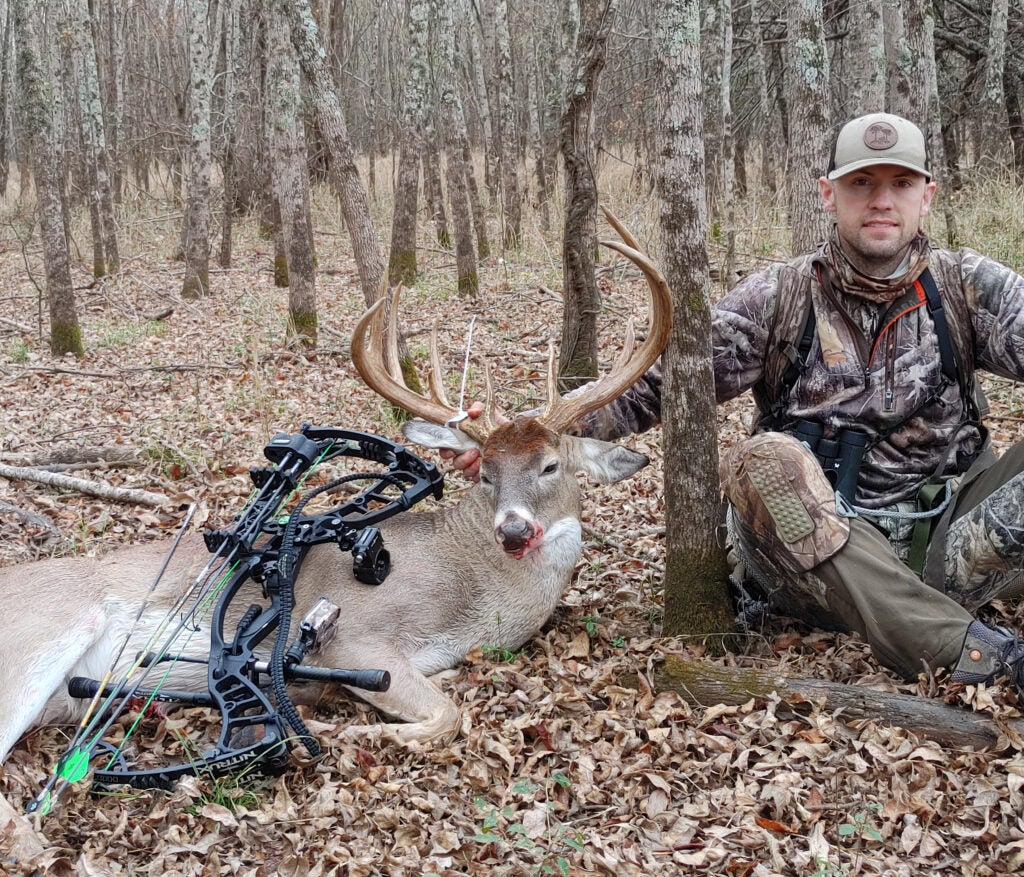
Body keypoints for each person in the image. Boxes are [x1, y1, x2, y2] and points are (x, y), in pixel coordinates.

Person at [446, 112, 1024, 694]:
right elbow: (659, 386)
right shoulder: (781, 296)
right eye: (860, 184)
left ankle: (926, 611)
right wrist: (515, 442)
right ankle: (979, 653)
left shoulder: (967, 288)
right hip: (809, 557)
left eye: (900, 184)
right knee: (767, 460)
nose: (881, 201)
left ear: (927, 196)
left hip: (950, 545)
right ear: (828, 194)